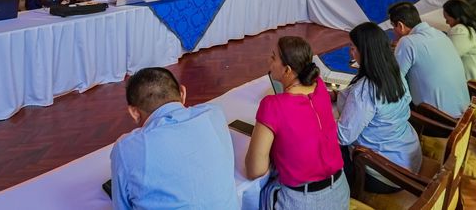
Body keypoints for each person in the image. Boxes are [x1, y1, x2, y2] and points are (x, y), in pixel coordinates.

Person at [110, 67, 239, 210]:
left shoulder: (126, 148)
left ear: (134, 112)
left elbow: (122, 206)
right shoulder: (214, 113)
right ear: (182, 92)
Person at [245, 36, 350, 210]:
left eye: (273, 57)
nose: (268, 61)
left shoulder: (272, 106)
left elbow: (254, 170)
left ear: (287, 70)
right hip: (340, 193)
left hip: (301, 201)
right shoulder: (319, 86)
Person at [335, 22, 421, 193]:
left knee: (327, 147)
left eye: (352, 47)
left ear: (365, 52)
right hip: (407, 155)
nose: (350, 52)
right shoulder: (394, 73)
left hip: (385, 174)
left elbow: (343, 136)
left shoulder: (366, 90)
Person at [388, 1, 469, 117]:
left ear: (400, 25)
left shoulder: (407, 42)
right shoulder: (440, 34)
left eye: (393, 26)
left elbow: (392, 80)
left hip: (439, 120)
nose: (393, 31)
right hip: (465, 116)